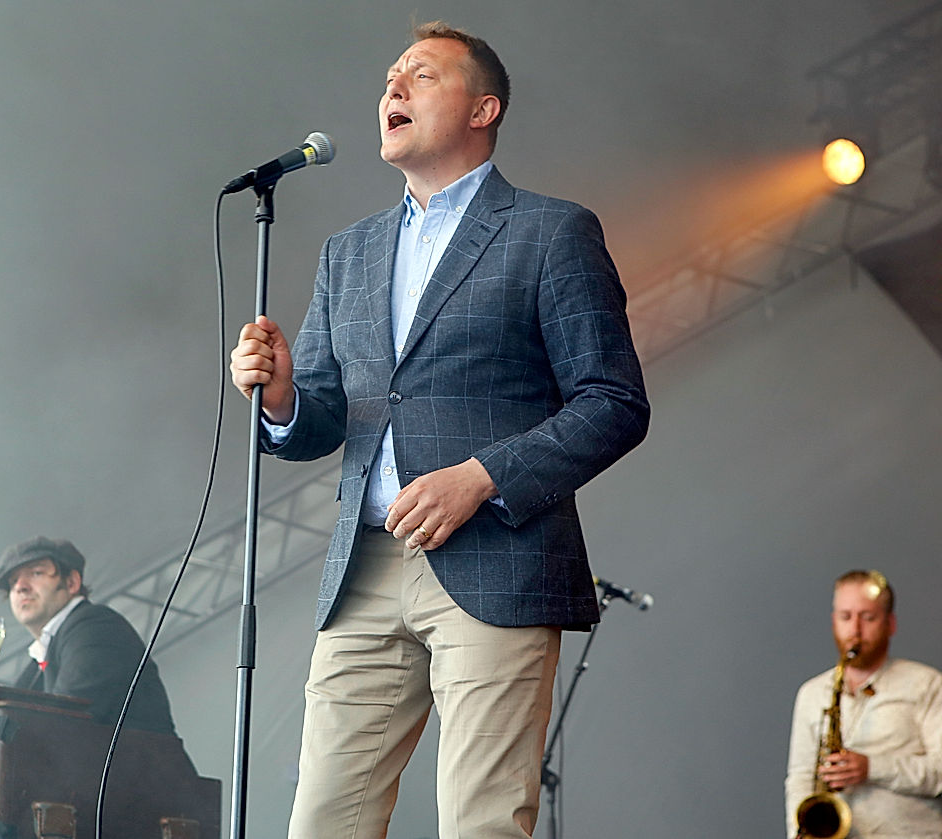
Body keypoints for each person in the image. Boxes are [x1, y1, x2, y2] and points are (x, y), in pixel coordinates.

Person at [229, 21, 649, 838]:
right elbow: (319, 416)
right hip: (367, 563)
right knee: (321, 821)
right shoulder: (348, 252)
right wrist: (280, 396)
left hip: (497, 550)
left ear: (484, 107)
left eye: (420, 75)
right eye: (389, 77)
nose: (393, 88)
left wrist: (482, 475)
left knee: (480, 822)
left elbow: (613, 401)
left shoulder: (550, 230)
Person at [785, 570, 942, 838]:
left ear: (890, 623)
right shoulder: (812, 693)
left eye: (868, 617)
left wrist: (873, 767)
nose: (855, 630)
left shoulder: (927, 684)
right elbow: (800, 778)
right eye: (845, 617)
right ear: (833, 621)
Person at [0, 535, 177, 736]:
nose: (20, 587)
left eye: (36, 573)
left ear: (72, 582)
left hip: (137, 766)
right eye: (13, 582)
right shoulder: (41, 658)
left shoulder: (94, 626)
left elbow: (67, 718)